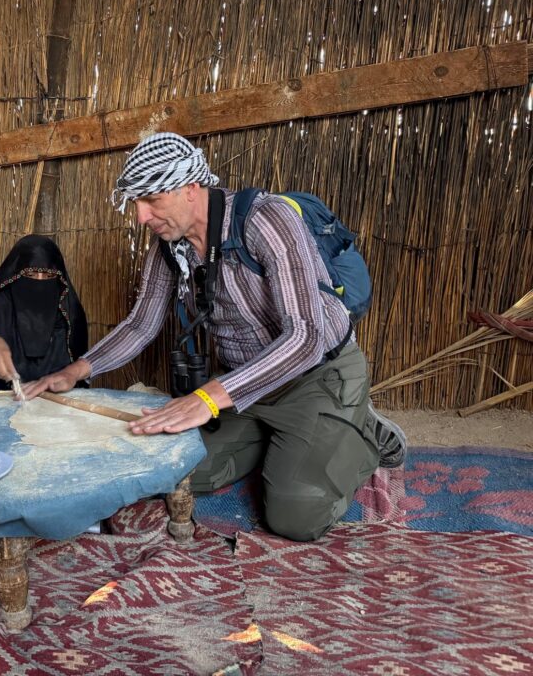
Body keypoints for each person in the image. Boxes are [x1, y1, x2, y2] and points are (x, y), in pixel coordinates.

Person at [24, 132, 407, 542]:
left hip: (316, 378)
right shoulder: (170, 248)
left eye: (151, 200)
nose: (141, 216)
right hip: (244, 385)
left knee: (295, 517)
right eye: (136, 203)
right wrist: (77, 370)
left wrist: (206, 399)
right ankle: (281, 443)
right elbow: (141, 325)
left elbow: (307, 338)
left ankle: (359, 428)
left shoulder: (267, 220)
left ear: (191, 188)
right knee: (170, 469)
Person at [0, 235, 88, 395]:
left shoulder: (68, 314)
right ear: (16, 276)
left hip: (54, 405)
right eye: (31, 275)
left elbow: (81, 370)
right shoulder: (1, 304)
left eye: (49, 276)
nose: (40, 283)